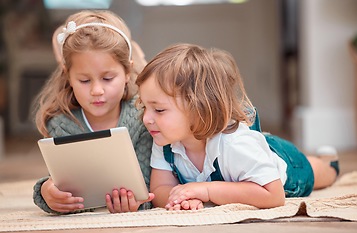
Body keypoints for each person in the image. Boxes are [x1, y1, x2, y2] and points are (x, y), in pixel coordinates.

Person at [135, 43, 339, 211]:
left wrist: (206, 191)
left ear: (199, 108)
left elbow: (273, 195)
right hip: (250, 158)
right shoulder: (164, 139)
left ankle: (330, 164)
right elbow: (161, 187)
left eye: (159, 110)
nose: (146, 118)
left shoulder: (235, 145)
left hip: (284, 164)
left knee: (312, 170)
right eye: (145, 107)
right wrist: (182, 200)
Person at [32, 10, 154, 214]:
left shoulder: (142, 116)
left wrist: (139, 201)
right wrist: (47, 192)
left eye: (107, 79)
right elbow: (62, 183)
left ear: (126, 73)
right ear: (68, 77)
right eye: (85, 80)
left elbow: (151, 188)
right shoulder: (61, 122)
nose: (97, 90)